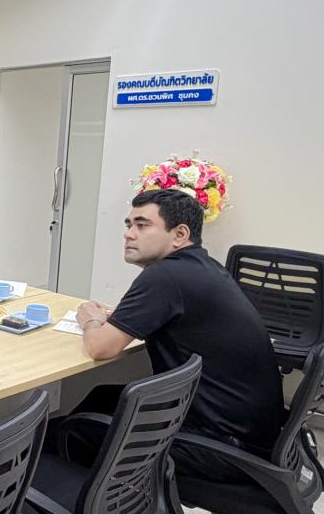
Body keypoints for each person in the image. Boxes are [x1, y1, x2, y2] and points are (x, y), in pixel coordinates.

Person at [69, 188, 285, 482]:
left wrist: (91, 321)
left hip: (222, 449)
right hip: (254, 436)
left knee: (69, 432)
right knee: (102, 397)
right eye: (128, 225)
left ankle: (84, 502)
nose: (129, 234)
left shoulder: (164, 276)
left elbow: (100, 348)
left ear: (180, 234)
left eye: (142, 225)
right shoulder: (203, 267)